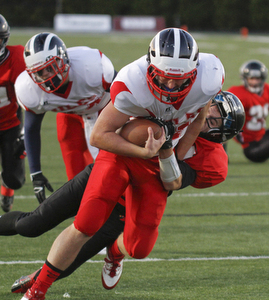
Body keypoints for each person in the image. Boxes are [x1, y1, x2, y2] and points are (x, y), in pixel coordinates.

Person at [20, 28, 226, 300]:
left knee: (140, 248)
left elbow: (199, 118)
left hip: (156, 163)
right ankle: (37, 291)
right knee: (86, 223)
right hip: (123, 154)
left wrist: (172, 157)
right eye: (164, 77)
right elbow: (98, 135)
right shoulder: (132, 81)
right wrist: (141, 152)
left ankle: (115, 252)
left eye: (179, 80)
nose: (170, 87)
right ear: (151, 66)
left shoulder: (209, 78)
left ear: (194, 72)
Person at [4, 91, 244, 295]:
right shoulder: (180, 105)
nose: (207, 116)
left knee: (71, 262)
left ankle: (110, 254)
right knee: (31, 226)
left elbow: (171, 181)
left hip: (128, 201)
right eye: (212, 108)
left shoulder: (213, 161)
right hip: (106, 171)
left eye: (214, 121)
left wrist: (165, 143)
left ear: (218, 135)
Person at [15, 32, 116, 203]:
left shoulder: (92, 67)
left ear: (63, 60)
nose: (47, 75)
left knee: (112, 171)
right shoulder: (29, 89)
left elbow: (124, 95)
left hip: (104, 112)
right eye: (40, 71)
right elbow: (32, 128)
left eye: (50, 67)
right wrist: (36, 173)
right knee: (77, 182)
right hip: (70, 117)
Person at [0, 14, 26, 213]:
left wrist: (24, 132)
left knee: (14, 179)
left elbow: (29, 97)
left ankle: (7, 190)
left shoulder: (16, 58)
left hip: (10, 123)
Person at [228, 60, 269, 162]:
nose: (254, 82)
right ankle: (220, 156)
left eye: (257, 79)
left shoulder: (267, 90)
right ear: (245, 79)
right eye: (251, 78)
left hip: (262, 137)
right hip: (251, 147)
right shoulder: (238, 93)